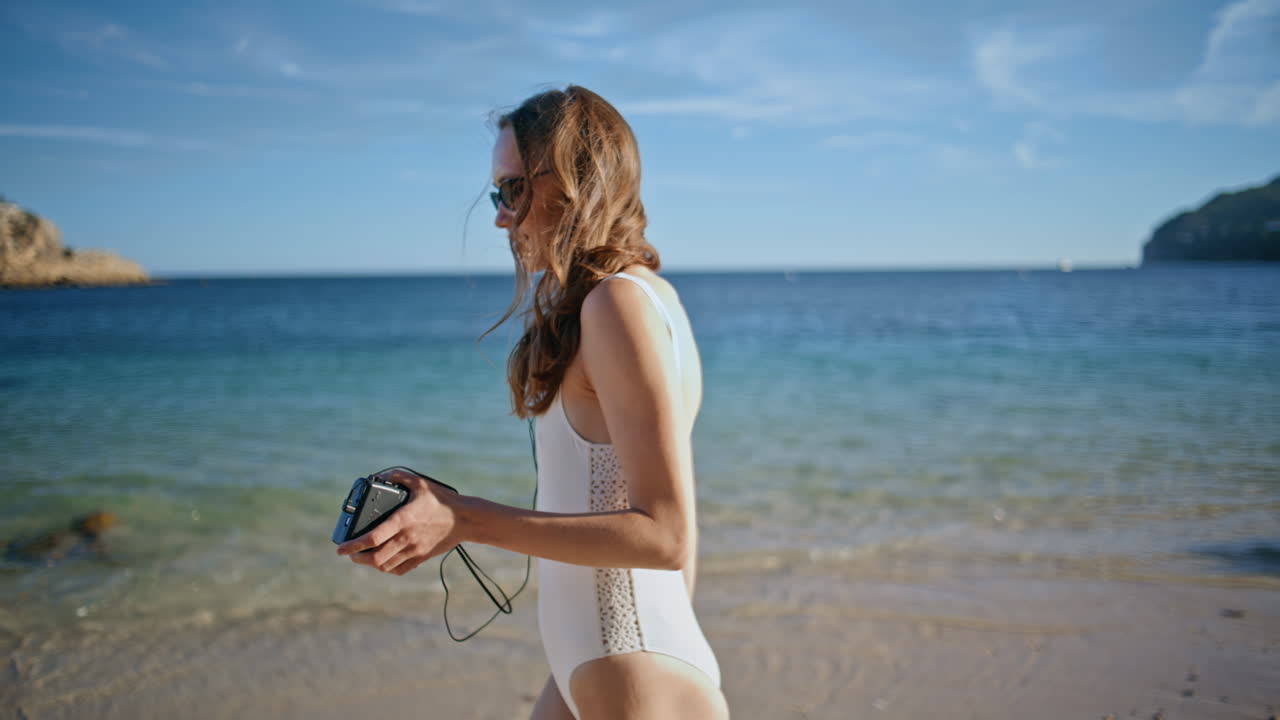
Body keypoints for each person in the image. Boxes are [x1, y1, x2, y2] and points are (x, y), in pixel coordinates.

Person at [336, 85, 729, 720]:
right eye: (498, 193)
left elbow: (667, 535)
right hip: (609, 665)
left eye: (513, 189)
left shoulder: (618, 304)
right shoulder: (653, 299)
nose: (500, 215)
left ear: (577, 182)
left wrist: (464, 519)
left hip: (630, 669)